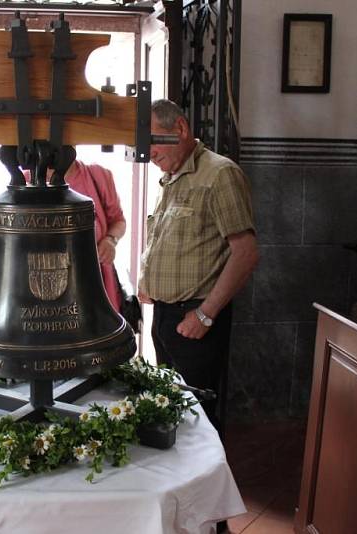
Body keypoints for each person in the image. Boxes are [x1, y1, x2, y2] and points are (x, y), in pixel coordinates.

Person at [138, 99, 259, 429]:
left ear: (179, 128)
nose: (148, 153)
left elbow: (246, 253)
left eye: (151, 141)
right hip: (165, 317)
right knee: (171, 412)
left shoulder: (219, 174)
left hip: (195, 318)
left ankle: (210, 481)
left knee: (197, 421)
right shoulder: (172, 178)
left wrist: (205, 315)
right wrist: (148, 281)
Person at [60, 159, 126, 313]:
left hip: (96, 281)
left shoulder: (98, 176)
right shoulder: (27, 181)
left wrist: (110, 240)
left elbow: (118, 220)